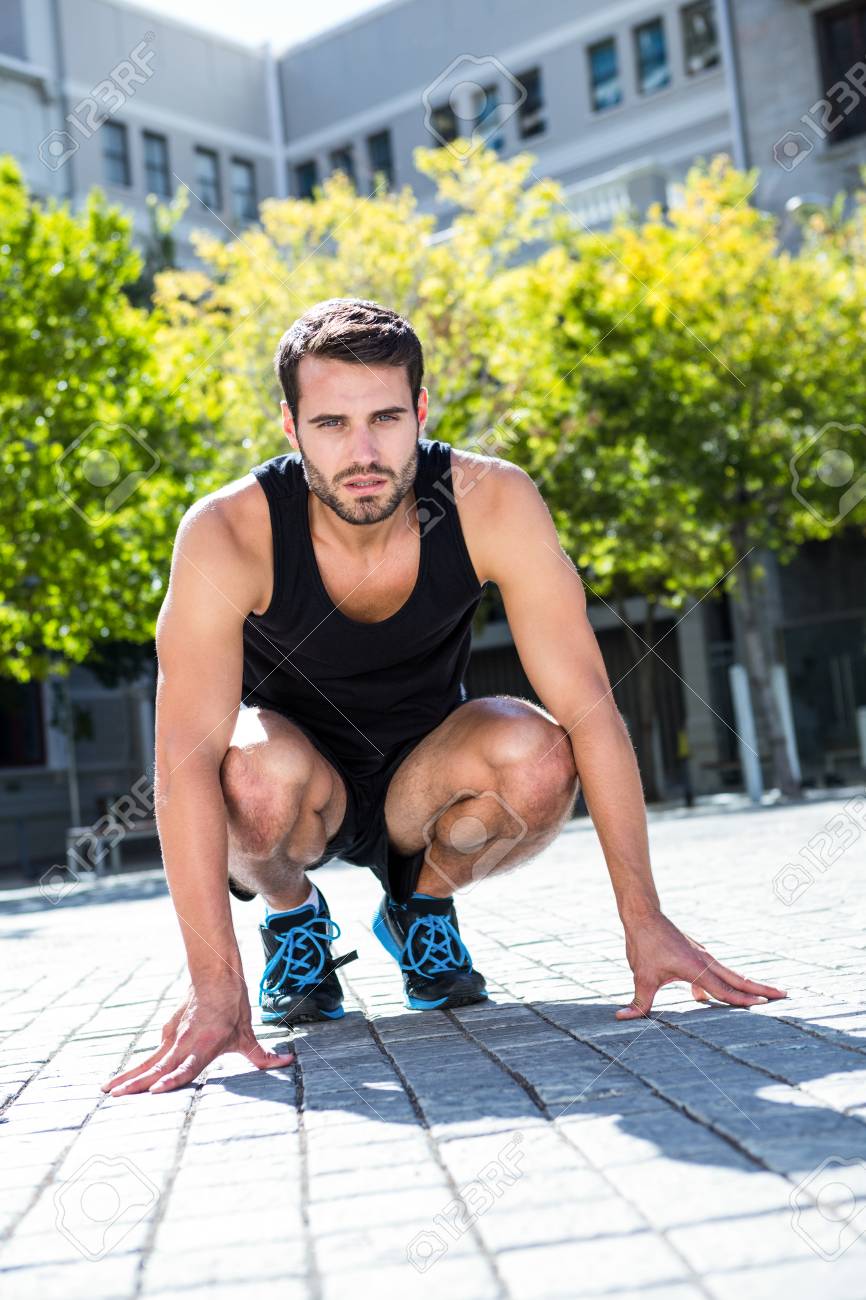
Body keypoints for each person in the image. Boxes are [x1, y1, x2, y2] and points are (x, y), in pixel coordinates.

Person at [101, 298, 786, 1097]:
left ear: (421, 411)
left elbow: (592, 707)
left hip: (422, 785)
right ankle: (293, 918)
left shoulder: (492, 500)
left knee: (539, 752)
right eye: (330, 424)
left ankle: (420, 908)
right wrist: (215, 984)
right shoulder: (226, 532)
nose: (363, 452)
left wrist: (645, 919)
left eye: (386, 418)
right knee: (246, 772)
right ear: (289, 426)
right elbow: (184, 762)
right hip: (293, 788)